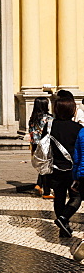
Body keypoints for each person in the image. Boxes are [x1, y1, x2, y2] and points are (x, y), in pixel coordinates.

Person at [48, 93, 82, 238]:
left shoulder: (50, 127)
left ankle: (64, 227)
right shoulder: (78, 128)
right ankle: (64, 219)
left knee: (59, 197)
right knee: (77, 196)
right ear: (72, 110)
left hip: (56, 167)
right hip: (72, 168)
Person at [28, 96, 53, 198]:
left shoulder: (32, 118)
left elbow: (31, 132)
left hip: (34, 145)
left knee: (41, 165)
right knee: (46, 166)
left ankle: (39, 185)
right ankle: (45, 190)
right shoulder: (49, 118)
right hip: (45, 145)